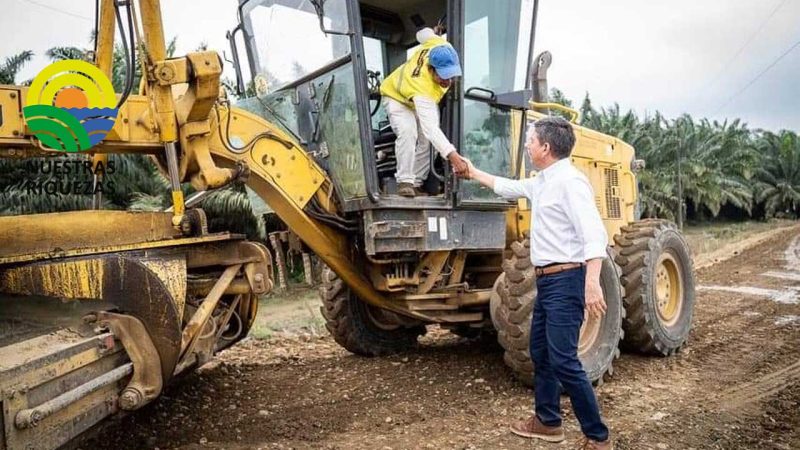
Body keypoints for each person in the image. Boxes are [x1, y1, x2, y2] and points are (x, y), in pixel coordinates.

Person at [459, 116, 613, 449]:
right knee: (541, 351)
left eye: (530, 140)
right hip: (546, 281)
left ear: (546, 147)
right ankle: (547, 422)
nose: (527, 144)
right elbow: (506, 186)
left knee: (564, 359)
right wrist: (471, 171)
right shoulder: (542, 181)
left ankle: (598, 437)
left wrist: (592, 283)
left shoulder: (571, 182)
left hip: (568, 280)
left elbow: (594, 235)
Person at [380, 27, 468, 197]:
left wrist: (433, 33)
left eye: (451, 76)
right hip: (396, 97)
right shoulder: (423, 87)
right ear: (431, 69)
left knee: (429, 143)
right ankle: (405, 181)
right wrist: (454, 157)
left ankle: (417, 183)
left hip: (413, 99)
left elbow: (421, 34)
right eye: (443, 76)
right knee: (408, 131)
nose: (447, 81)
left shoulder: (440, 44)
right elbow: (431, 129)